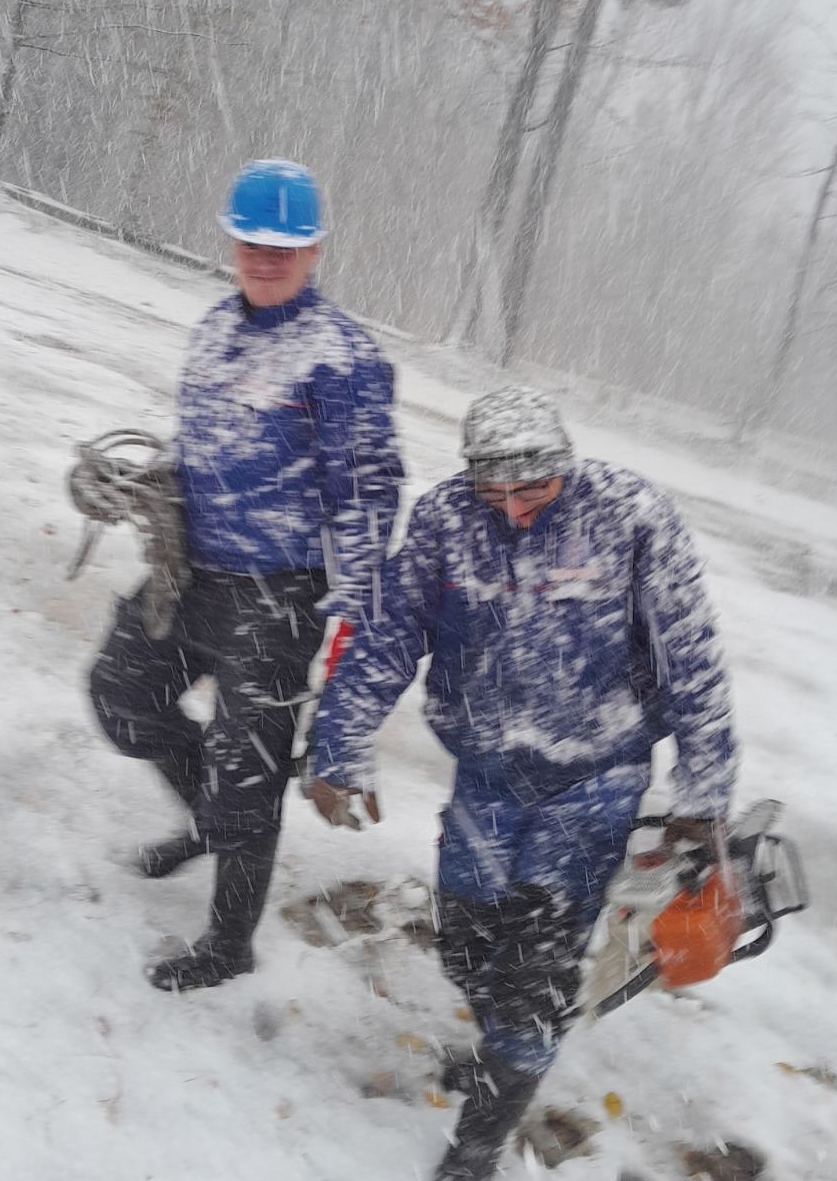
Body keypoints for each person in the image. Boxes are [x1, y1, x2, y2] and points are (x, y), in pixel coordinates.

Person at [306, 386, 737, 1181]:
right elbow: (389, 634)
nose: (512, 508)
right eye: (492, 488)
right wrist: (336, 747)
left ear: (563, 466)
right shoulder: (444, 521)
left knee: (533, 969)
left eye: (531, 488)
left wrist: (703, 792)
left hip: (596, 777)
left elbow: (691, 658)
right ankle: (506, 1048)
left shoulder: (631, 517)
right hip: (489, 773)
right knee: (468, 943)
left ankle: (478, 1145)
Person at [88, 159, 403, 992]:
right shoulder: (216, 330)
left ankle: (229, 944)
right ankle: (206, 824)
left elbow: (368, 496)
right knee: (122, 698)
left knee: (246, 776)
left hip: (277, 595)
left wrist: (358, 620)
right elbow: (201, 444)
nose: (265, 259)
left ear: (314, 252)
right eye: (252, 243)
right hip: (192, 573)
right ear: (232, 242)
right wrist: (151, 483)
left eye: (284, 248)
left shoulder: (341, 357)